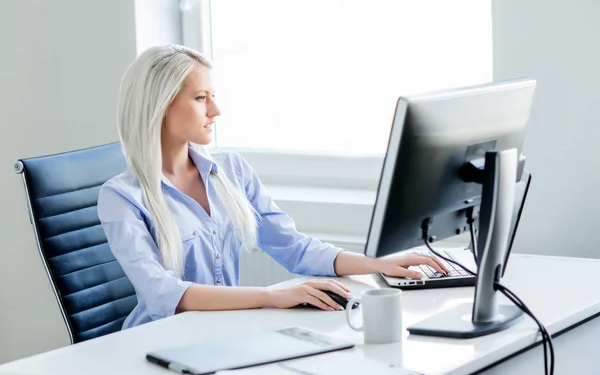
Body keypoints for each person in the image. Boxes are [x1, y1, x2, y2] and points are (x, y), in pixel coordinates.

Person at [97, 44, 448, 329]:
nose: (216, 110)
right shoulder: (122, 197)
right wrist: (270, 295)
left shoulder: (231, 170)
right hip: (154, 344)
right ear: (160, 106)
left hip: (225, 332)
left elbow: (294, 248)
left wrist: (377, 263)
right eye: (201, 98)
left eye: (213, 96)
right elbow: (161, 292)